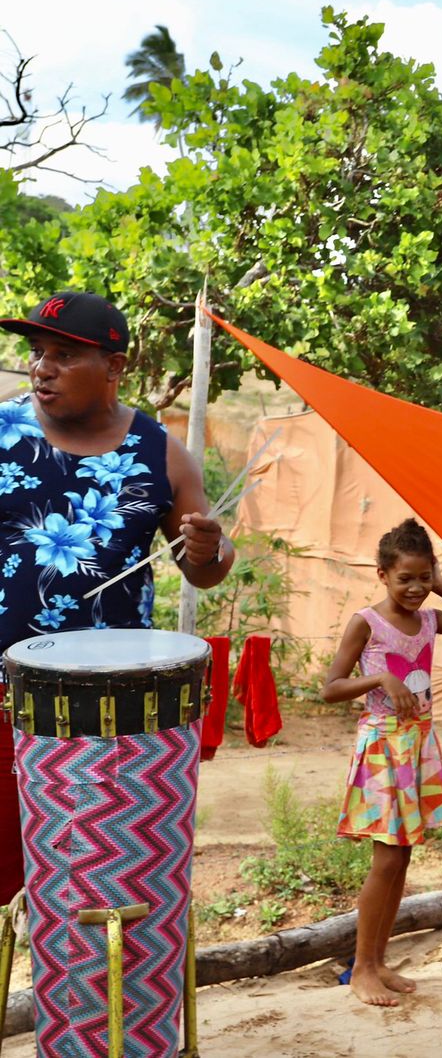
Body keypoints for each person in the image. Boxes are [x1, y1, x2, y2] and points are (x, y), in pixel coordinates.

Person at [0, 291, 235, 1056]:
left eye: (64, 354)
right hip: (3, 706)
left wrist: (204, 549)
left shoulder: (159, 452)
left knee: (99, 896)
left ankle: (101, 1035)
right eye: (37, 352)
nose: (43, 368)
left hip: (109, 733)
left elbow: (207, 570)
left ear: (113, 367)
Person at [321, 518, 442, 1006]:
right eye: (406, 579)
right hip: (382, 748)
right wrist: (379, 680)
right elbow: (330, 688)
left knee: (404, 857)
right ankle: (361, 968)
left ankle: (378, 961)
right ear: (382, 575)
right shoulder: (367, 622)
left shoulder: (431, 620)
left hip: (416, 745)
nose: (416, 588)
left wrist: (441, 584)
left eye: (424, 578)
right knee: (388, 857)